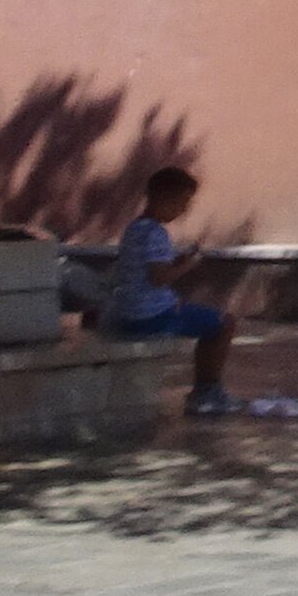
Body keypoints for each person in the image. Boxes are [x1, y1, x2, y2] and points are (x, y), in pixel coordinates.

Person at [106, 163, 237, 416]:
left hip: (132, 310)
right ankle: (207, 392)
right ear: (165, 198)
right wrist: (189, 264)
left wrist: (174, 267)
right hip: (150, 317)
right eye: (182, 203)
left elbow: (144, 273)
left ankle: (206, 391)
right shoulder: (156, 233)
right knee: (224, 323)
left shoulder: (134, 229)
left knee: (198, 315)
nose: (183, 210)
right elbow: (158, 278)